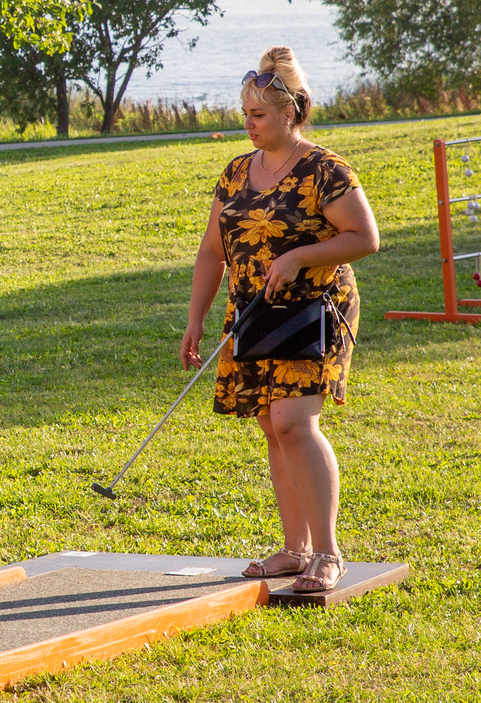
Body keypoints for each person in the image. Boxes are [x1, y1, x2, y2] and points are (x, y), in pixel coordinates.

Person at [180, 46, 379, 593]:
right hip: (252, 313)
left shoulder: (326, 170)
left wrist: (296, 257)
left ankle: (329, 553)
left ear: (294, 110)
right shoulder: (237, 171)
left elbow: (364, 238)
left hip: (316, 312)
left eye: (259, 114)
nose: (249, 124)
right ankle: (295, 549)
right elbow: (210, 253)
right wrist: (195, 319)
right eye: (245, 114)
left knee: (293, 422)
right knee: (273, 426)